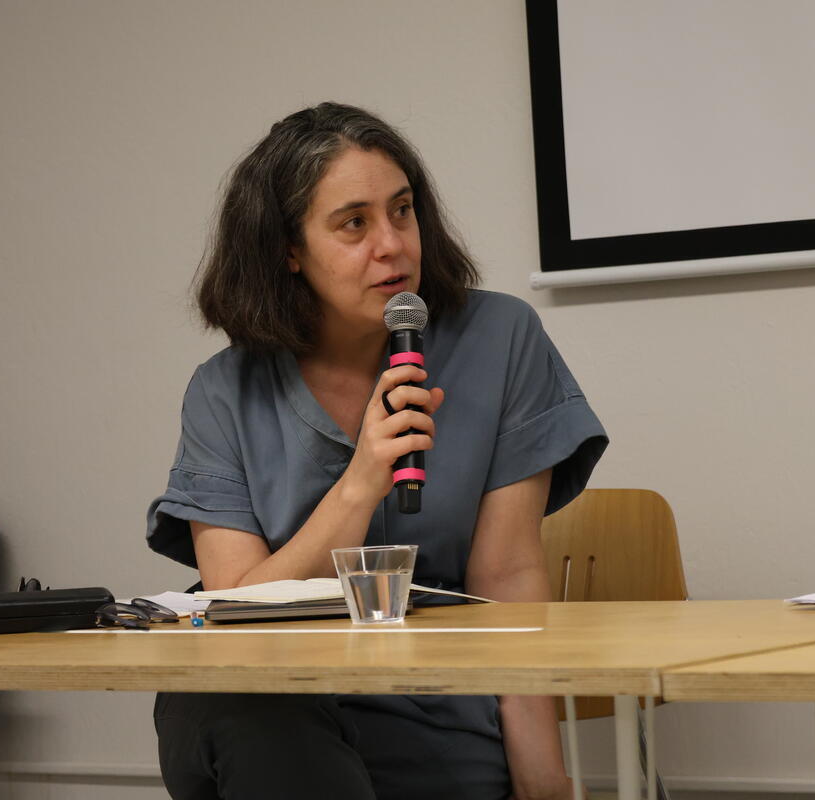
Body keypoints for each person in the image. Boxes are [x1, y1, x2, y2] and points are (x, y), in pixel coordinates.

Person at [146, 102, 607, 800]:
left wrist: (544, 778)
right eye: (353, 223)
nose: (392, 245)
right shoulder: (223, 391)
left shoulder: (501, 338)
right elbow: (235, 609)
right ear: (287, 250)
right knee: (239, 702)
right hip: (275, 709)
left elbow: (508, 578)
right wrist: (361, 482)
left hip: (441, 716)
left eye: (402, 211)